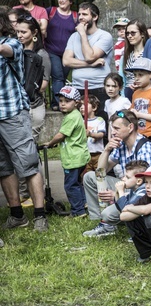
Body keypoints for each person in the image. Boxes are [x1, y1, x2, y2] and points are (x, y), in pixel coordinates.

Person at [0, 11, 48, 232]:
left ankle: (40, 215)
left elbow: (7, 51)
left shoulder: (11, 44)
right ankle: (17, 215)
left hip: (12, 113)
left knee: (28, 164)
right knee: (4, 169)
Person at [82, 109, 151, 223]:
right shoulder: (121, 145)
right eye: (112, 128)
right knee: (90, 177)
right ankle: (100, 220)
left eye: (117, 128)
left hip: (146, 196)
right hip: (128, 188)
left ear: (130, 127)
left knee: (108, 214)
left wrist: (117, 195)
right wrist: (106, 150)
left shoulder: (146, 150)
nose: (113, 132)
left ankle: (110, 221)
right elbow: (100, 172)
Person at [42, 86, 90, 217]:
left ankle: (78, 211)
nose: (62, 104)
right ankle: (84, 204)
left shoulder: (71, 117)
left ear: (76, 102)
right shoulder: (75, 115)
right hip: (80, 156)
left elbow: (61, 135)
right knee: (78, 183)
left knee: (70, 185)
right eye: (61, 100)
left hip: (73, 158)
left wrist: (50, 143)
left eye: (67, 101)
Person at [62, 2, 114, 118]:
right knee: (81, 126)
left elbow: (89, 56)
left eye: (85, 14)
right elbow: (66, 61)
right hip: (78, 88)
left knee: (101, 124)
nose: (80, 17)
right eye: (79, 14)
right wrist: (90, 65)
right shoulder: (73, 37)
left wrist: (82, 34)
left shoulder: (105, 36)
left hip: (99, 88)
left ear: (95, 17)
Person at [81, 160, 149, 238]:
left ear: (139, 181)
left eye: (127, 177)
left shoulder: (142, 192)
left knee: (128, 214)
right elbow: (119, 206)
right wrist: (117, 193)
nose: (123, 179)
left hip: (147, 223)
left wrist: (121, 191)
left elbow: (125, 209)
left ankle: (139, 235)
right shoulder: (134, 189)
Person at [15, 14, 50, 142]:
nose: (19, 35)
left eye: (23, 32)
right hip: (17, 107)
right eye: (18, 31)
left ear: (34, 32)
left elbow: (43, 85)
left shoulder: (41, 54)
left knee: (30, 145)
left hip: (33, 106)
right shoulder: (15, 51)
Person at [45, 0, 78, 110]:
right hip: (51, 50)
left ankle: (55, 102)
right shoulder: (50, 11)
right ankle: (61, 104)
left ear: (71, 2)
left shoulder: (76, 16)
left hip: (68, 53)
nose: (61, 1)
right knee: (58, 76)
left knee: (62, 79)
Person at [128, 57, 151, 141]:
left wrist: (139, 115)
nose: (136, 78)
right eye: (135, 75)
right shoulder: (135, 93)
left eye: (140, 75)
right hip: (137, 135)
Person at [121, 20, 149, 99]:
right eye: (127, 33)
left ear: (142, 34)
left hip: (145, 92)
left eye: (133, 33)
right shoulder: (126, 54)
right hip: (128, 92)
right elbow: (122, 78)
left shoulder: (148, 53)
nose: (129, 36)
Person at [81, 95, 106, 174]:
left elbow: (101, 134)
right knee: (85, 175)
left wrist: (90, 134)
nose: (81, 107)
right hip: (85, 154)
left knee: (100, 174)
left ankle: (101, 187)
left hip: (98, 154)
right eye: (80, 105)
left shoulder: (99, 120)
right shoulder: (80, 121)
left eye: (84, 105)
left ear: (94, 107)